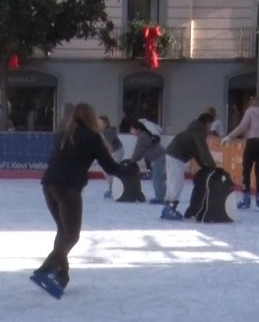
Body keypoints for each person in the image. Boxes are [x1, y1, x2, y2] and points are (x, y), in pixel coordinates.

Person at [30, 103, 134, 299]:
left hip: (49, 185)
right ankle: (46, 269)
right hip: (68, 188)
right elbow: (110, 167)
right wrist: (129, 171)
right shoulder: (92, 137)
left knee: (63, 231)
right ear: (91, 117)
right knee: (72, 236)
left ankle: (61, 276)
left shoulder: (64, 134)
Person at [162, 113, 217, 220]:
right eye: (210, 124)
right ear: (206, 123)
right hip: (176, 155)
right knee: (177, 183)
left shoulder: (195, 130)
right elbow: (203, 150)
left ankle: (167, 209)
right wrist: (213, 167)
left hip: (173, 154)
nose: (211, 128)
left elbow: (196, 152)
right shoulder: (198, 132)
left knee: (174, 182)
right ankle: (169, 209)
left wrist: (204, 166)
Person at [130, 118, 166, 203]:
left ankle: (160, 198)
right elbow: (140, 153)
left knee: (157, 178)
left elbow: (138, 151)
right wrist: (134, 159)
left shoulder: (142, 137)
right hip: (158, 156)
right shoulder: (144, 135)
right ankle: (162, 195)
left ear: (138, 130)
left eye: (132, 129)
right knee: (158, 177)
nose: (131, 131)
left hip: (158, 157)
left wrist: (131, 161)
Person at [99, 114, 124, 199]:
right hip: (115, 152)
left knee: (111, 170)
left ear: (105, 124)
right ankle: (112, 188)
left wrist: (106, 158)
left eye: (100, 123)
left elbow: (109, 147)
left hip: (117, 152)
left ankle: (113, 189)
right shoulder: (102, 132)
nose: (98, 124)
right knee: (109, 171)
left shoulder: (108, 131)